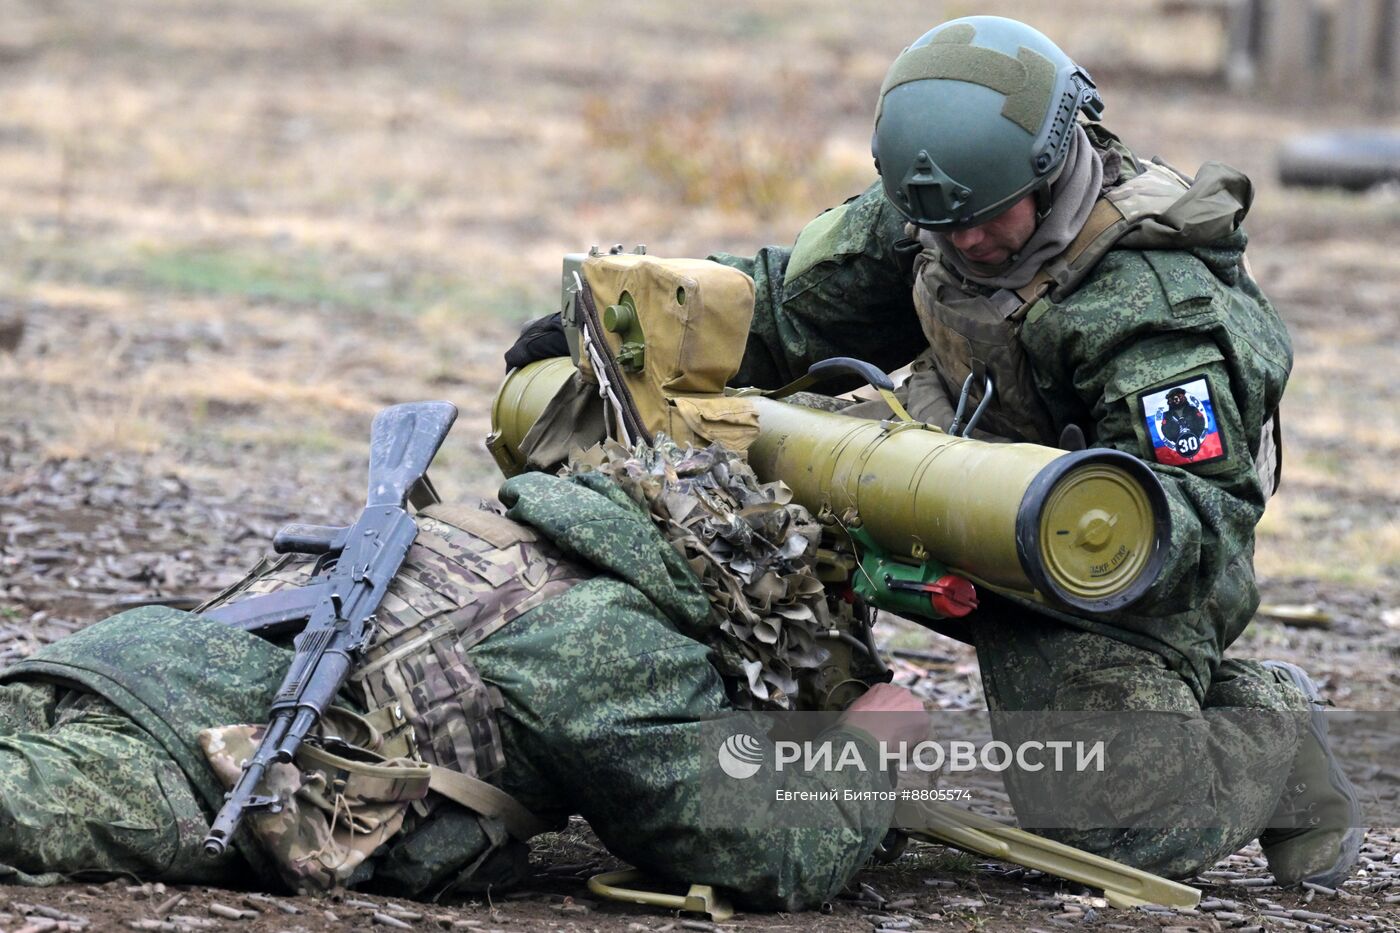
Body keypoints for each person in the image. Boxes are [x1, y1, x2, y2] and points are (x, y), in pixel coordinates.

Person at [498, 15, 1362, 889]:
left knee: (1112, 826)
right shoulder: (942, 210)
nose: (965, 243)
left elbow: (1203, 512)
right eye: (941, 225)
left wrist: (1044, 525)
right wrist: (624, 335)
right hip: (933, 500)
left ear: (1051, 163)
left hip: (1113, 570)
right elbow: (791, 307)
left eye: (986, 222)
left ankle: (1272, 728)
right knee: (725, 530)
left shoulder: (1155, 304)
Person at [0, 445, 917, 910]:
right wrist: (865, 755)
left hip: (110, 661)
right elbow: (766, 849)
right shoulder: (606, 636)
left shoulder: (479, 531)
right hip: (198, 758)